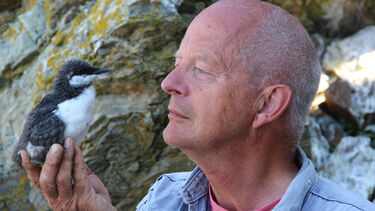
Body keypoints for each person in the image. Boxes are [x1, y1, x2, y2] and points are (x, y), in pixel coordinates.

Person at [20, 0, 375, 210]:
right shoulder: (163, 199)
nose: (168, 84)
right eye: (176, 64)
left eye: (201, 70)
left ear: (267, 105)